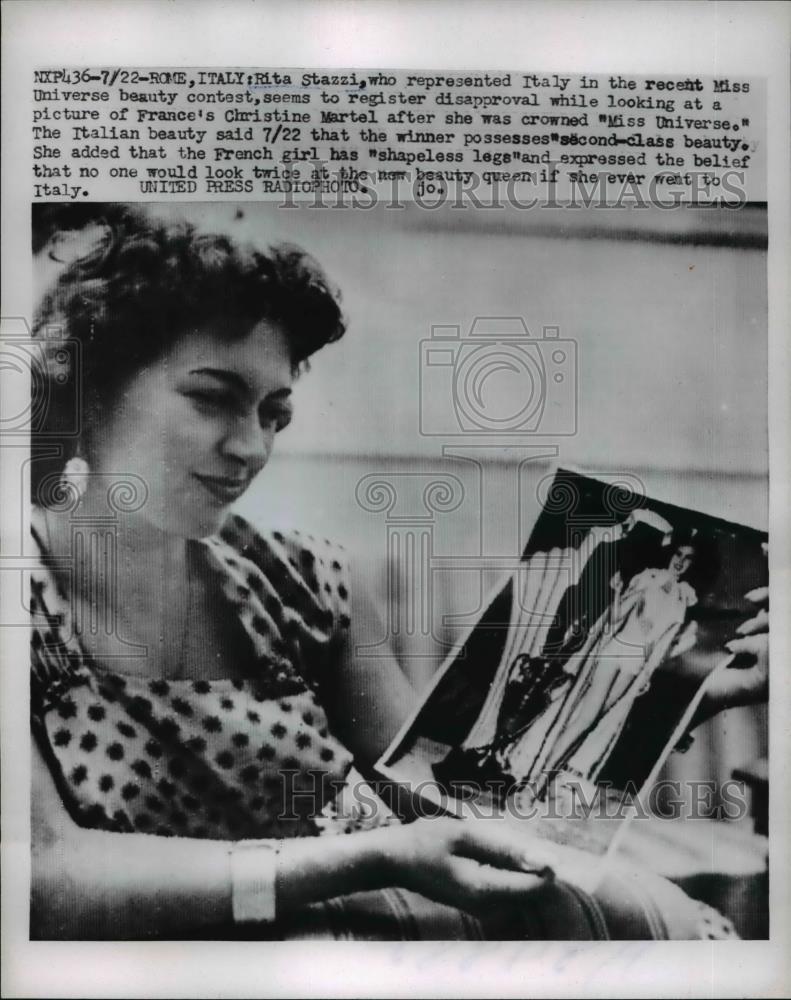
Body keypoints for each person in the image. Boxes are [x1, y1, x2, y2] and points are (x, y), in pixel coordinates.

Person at [29, 207, 767, 941]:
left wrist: (669, 693)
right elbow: (42, 877)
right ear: (90, 389)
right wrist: (364, 859)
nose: (250, 446)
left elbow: (448, 801)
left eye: (275, 414)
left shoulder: (302, 581)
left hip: (363, 945)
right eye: (212, 398)